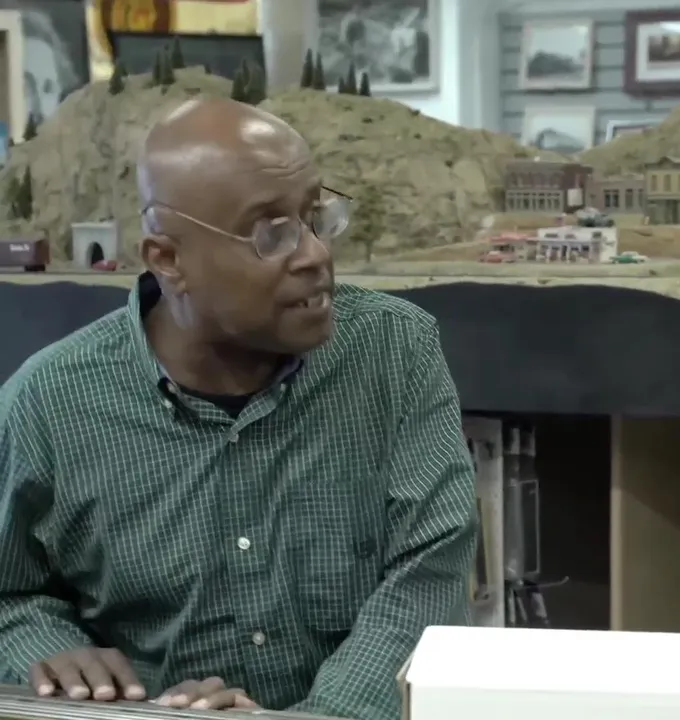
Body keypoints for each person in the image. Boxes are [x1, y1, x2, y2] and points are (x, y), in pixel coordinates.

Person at [0, 97, 478, 719]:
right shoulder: (49, 405)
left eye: (315, 217)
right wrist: (49, 653)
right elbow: (9, 596)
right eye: (271, 233)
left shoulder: (394, 352)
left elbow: (430, 575)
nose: (315, 255)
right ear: (169, 260)